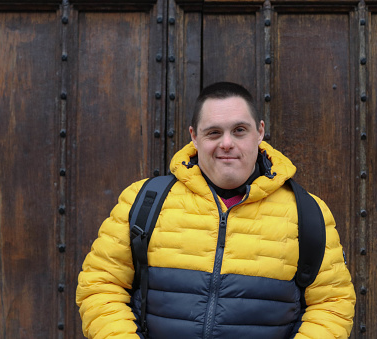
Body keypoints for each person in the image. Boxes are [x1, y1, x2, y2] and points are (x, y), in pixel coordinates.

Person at [76, 82, 356, 338]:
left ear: (259, 132)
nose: (226, 143)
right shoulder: (144, 200)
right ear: (194, 137)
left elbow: (331, 304)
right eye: (213, 132)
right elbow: (100, 286)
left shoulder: (307, 212)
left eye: (239, 130)